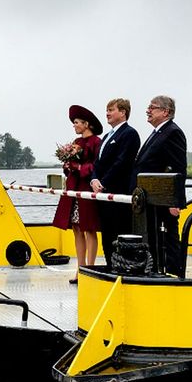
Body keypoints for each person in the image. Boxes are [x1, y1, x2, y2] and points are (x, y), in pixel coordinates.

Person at [133, 95, 187, 275]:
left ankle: (174, 273)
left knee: (169, 237)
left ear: (165, 112)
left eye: (152, 107)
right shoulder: (156, 133)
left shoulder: (173, 132)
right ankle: (155, 270)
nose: (148, 110)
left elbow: (178, 168)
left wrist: (174, 201)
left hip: (165, 198)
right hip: (150, 197)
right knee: (154, 236)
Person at [52, 104, 103, 282]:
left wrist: (78, 167)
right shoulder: (76, 143)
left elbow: (97, 166)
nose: (74, 126)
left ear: (86, 124)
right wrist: (67, 165)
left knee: (89, 228)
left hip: (86, 189)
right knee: (76, 228)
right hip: (74, 189)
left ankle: (90, 268)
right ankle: (80, 269)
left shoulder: (96, 142)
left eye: (76, 122)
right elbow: (69, 168)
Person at [89, 98, 140, 268]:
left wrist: (103, 182)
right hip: (103, 194)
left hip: (118, 193)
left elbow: (122, 162)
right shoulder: (106, 136)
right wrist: (94, 179)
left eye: (111, 110)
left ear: (123, 112)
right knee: (107, 232)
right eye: (107, 110)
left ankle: (122, 266)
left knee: (119, 230)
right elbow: (98, 162)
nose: (107, 114)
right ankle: (110, 264)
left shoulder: (129, 134)